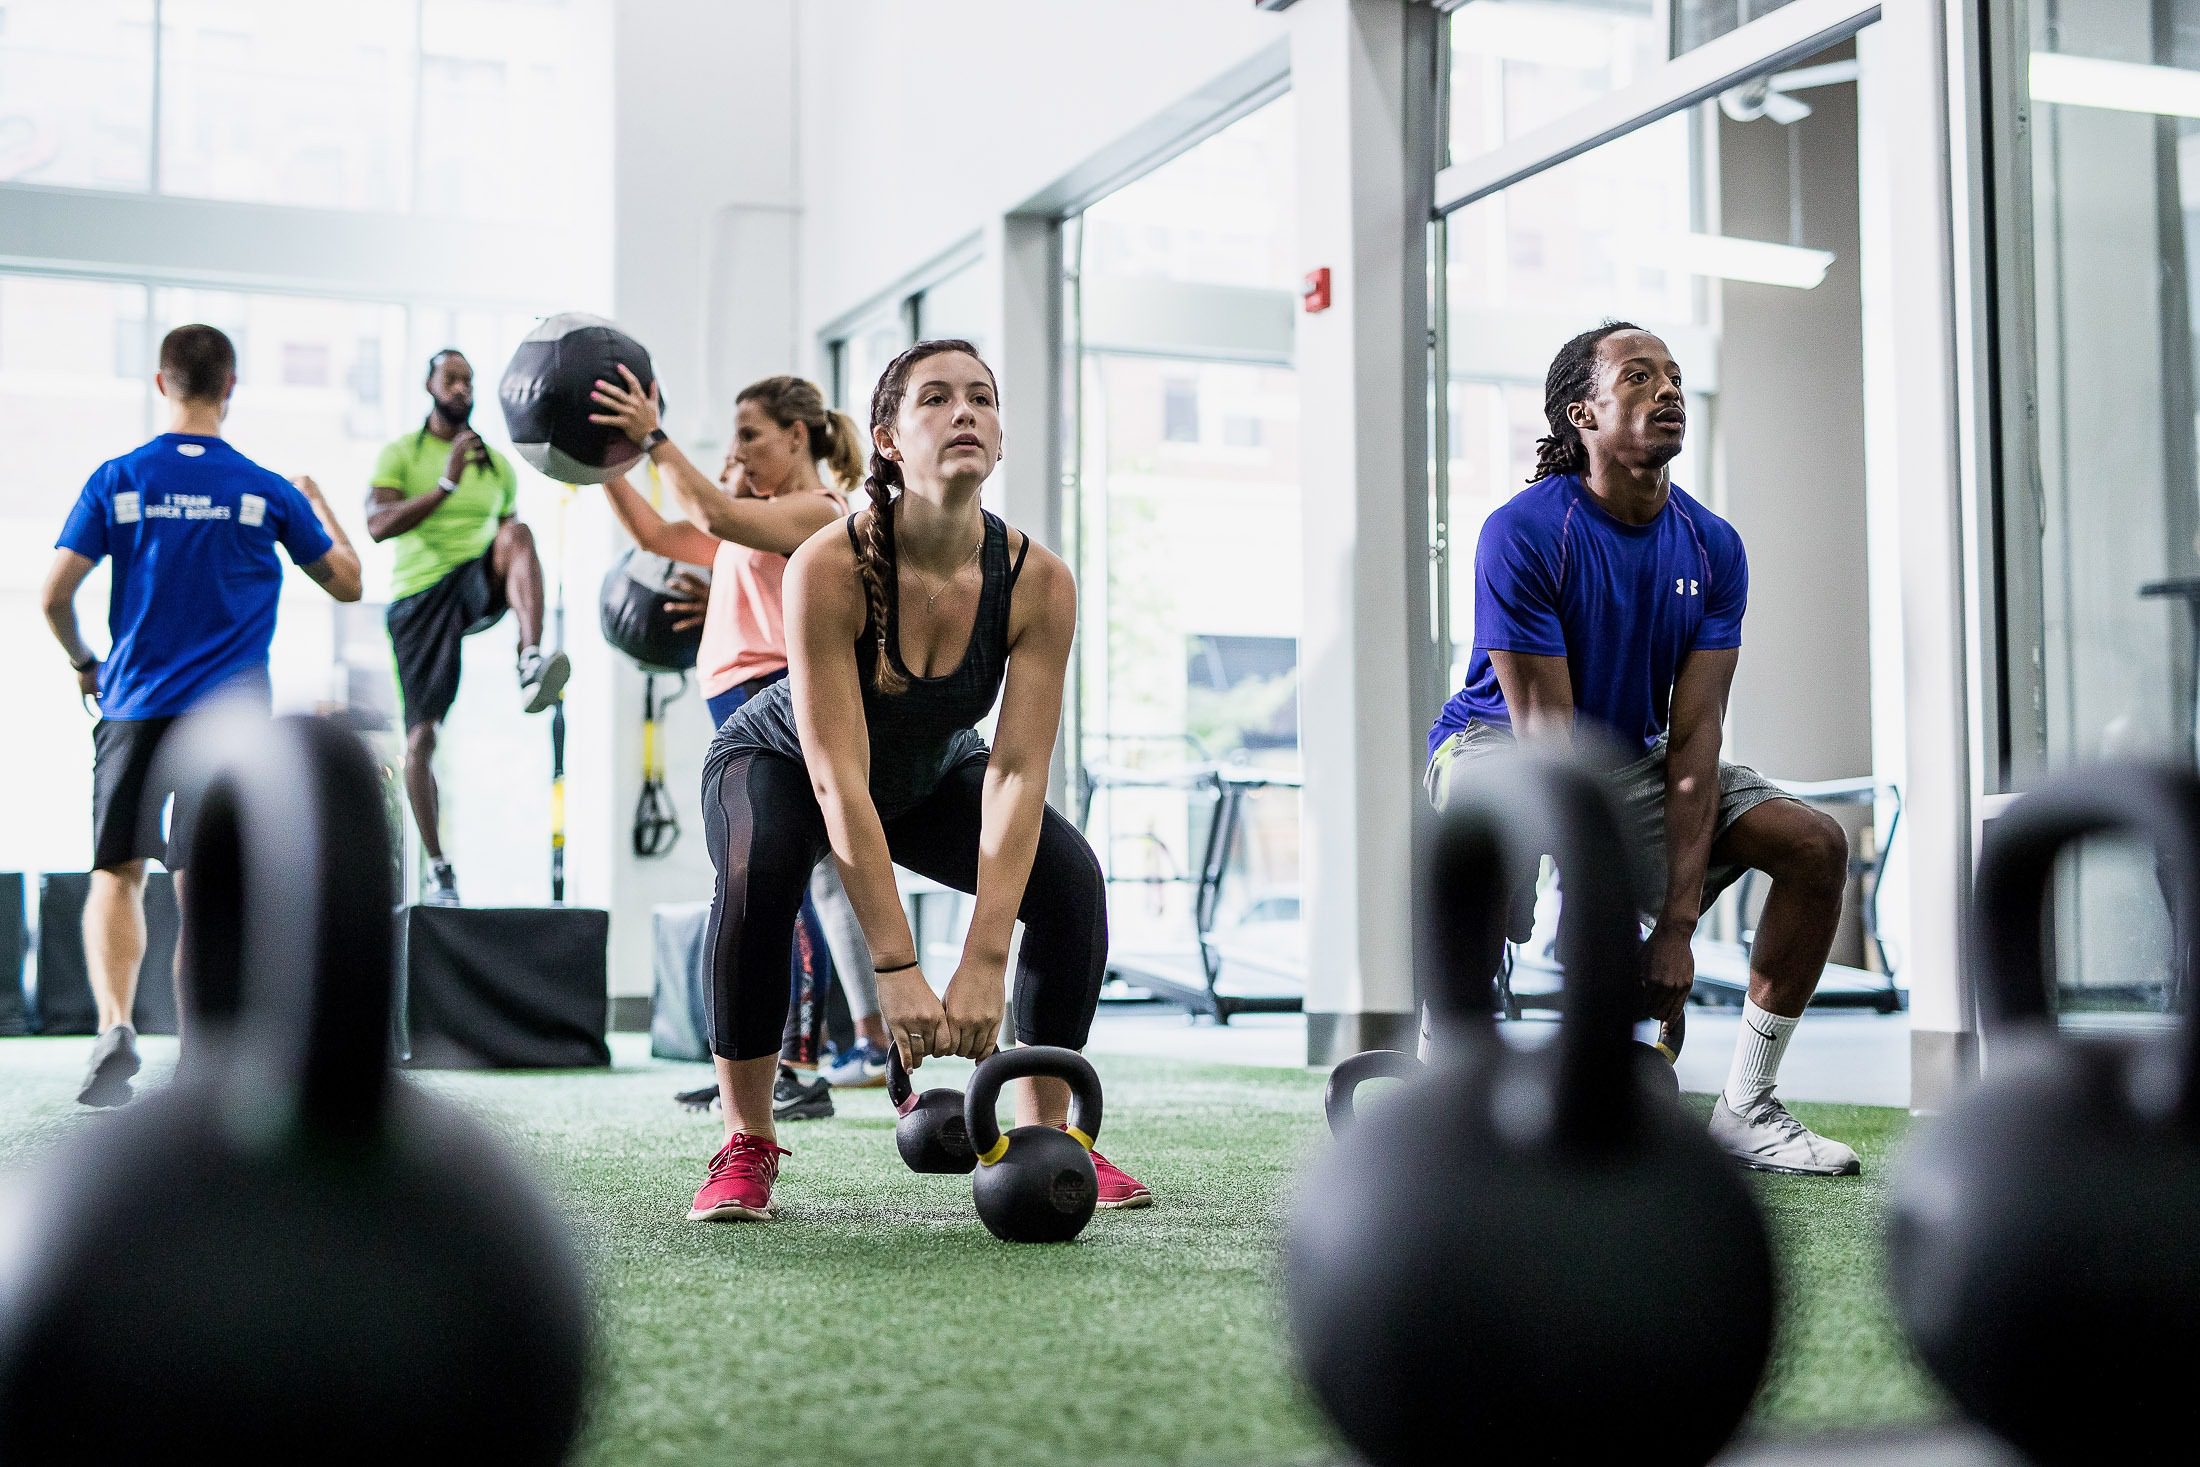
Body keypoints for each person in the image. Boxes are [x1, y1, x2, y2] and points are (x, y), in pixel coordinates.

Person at [681, 338, 1150, 1221]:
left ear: (1001, 438)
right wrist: (897, 968)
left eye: (982, 397)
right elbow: (836, 775)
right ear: (889, 437)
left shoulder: (1039, 581)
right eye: (936, 398)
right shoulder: (829, 562)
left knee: (1070, 881)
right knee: (761, 869)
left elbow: (1014, 772)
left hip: (933, 771)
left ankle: (1045, 1132)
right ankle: (746, 1138)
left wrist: (983, 959)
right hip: (781, 760)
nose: (965, 410)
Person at [1425, 320, 1859, 1177]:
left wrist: (1675, 930)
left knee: (1815, 844)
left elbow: (1696, 739)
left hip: (1632, 760)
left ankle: (1748, 1106)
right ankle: (1455, 1089)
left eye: (1673, 375)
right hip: (1499, 744)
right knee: (1493, 824)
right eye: (1637, 377)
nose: (1667, 390)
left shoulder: (1713, 546)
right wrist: (1603, 920)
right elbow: (1549, 744)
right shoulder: (1523, 532)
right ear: (1582, 414)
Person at [40, 323, 363, 1107]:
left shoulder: (118, 478)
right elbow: (348, 583)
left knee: (117, 872)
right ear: (231, 388)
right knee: (202, 883)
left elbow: (53, 595)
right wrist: (319, 502)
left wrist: (86, 662)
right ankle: (200, 1062)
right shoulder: (262, 489)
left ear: (162, 384)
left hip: (134, 703)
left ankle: (115, 1024)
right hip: (230, 724)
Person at [589, 368, 894, 1118]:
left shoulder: (820, 509)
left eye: (751, 435)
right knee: (776, 878)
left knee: (778, 877)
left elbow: (715, 514)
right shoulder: (757, 512)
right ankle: (793, 1058)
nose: (738, 450)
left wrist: (654, 439)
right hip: (736, 694)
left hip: (775, 691)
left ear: (798, 436)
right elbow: (660, 534)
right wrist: (596, 463)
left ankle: (798, 1062)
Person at [366, 349, 569, 906]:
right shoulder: (403, 453)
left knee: (519, 534)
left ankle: (529, 659)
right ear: (429, 385)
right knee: (422, 739)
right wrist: (445, 486)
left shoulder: (496, 465)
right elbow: (377, 525)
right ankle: (440, 867)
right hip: (418, 598)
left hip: (473, 586)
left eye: (468, 380)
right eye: (451, 379)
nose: (462, 388)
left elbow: (512, 551)